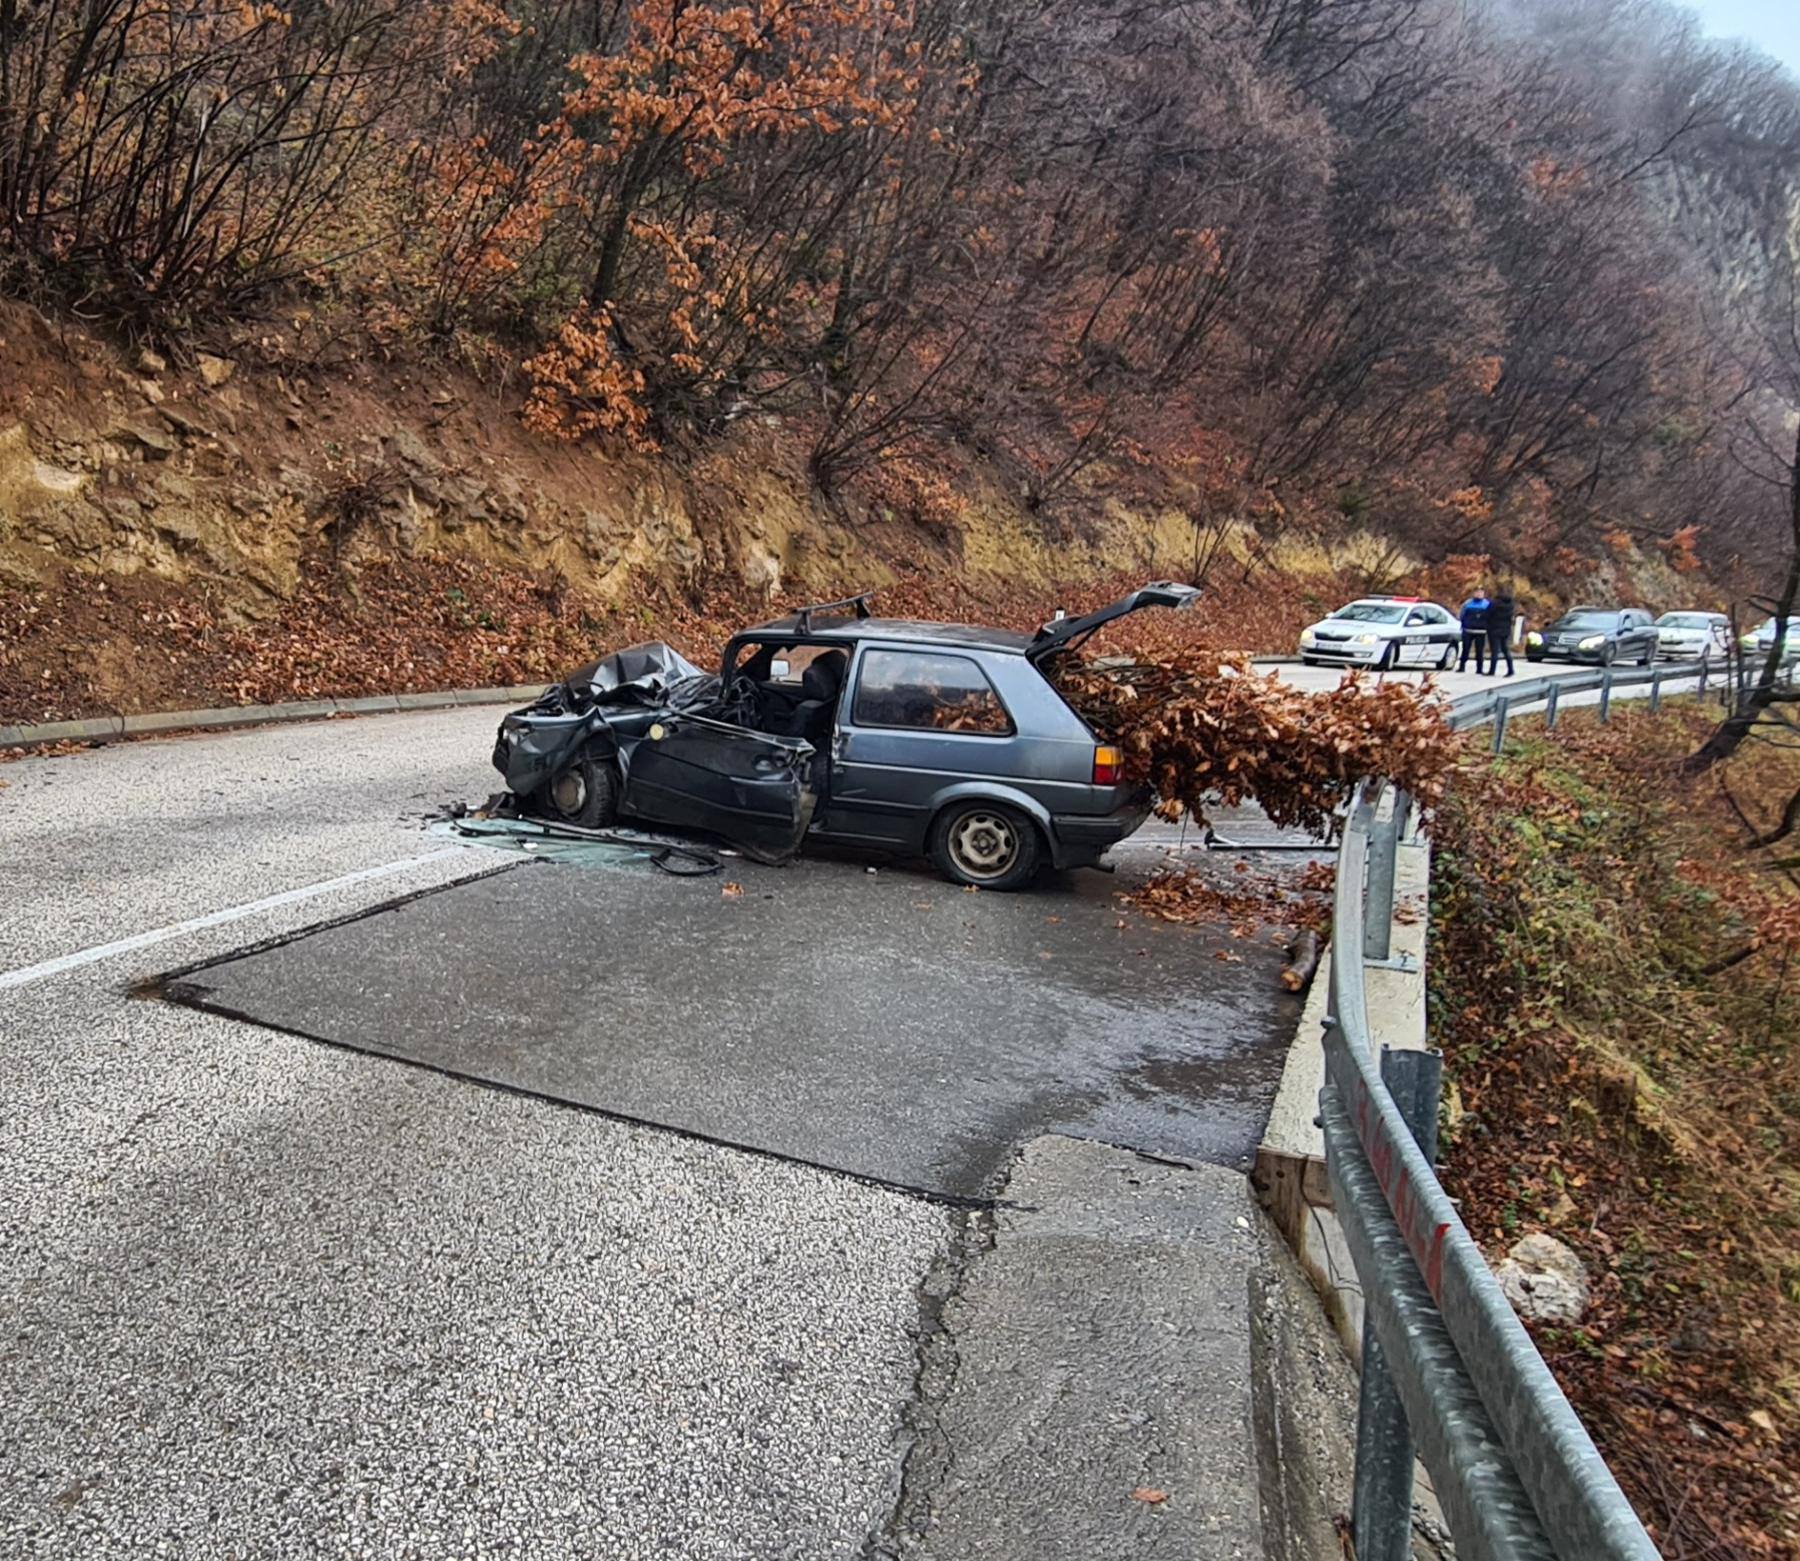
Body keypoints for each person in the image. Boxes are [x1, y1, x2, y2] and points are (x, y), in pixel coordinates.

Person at [1486, 588, 1516, 677]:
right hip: (1505, 630)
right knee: (1505, 650)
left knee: (1494, 651)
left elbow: (1487, 614)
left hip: (1494, 629)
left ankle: (1492, 670)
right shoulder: (1510, 605)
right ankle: (1511, 669)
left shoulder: (1494, 604)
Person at [1458, 589, 1491, 672]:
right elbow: (1461, 614)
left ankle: (1479, 669)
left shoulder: (1487, 604)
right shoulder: (1467, 603)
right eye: (1477, 592)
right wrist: (1464, 624)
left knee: (1479, 651)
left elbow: (1491, 617)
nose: (1479, 594)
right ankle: (1462, 667)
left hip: (1481, 631)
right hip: (1468, 630)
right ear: (1474, 593)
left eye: (1481, 592)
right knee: (1465, 649)